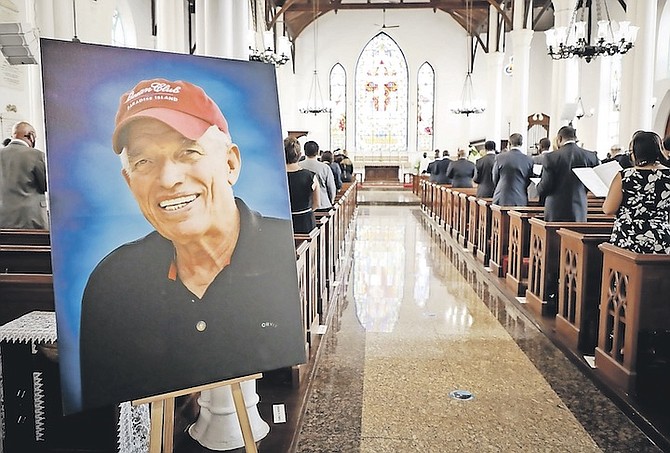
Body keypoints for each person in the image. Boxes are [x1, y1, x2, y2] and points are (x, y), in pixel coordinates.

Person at [79, 78, 306, 410]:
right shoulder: (112, 282)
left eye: (188, 151)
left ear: (230, 164)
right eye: (143, 162)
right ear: (129, 183)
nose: (168, 179)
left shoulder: (287, 255)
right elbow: (106, 410)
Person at [603, 131, 670, 253]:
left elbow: (608, 209)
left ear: (635, 152)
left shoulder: (625, 176)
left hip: (628, 239)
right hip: (661, 239)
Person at [536, 125, 599, 221]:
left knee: (554, 236)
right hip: (579, 208)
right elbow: (594, 184)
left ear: (559, 138)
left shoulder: (551, 157)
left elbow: (546, 186)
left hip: (556, 209)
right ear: (575, 138)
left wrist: (538, 187)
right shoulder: (591, 156)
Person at [0, 121, 48, 229]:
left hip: (2, 222)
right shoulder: (36, 155)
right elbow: (46, 184)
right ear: (31, 136)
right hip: (30, 220)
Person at [285, 137, 319, 234]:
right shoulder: (310, 176)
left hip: (283, 222)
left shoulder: (276, 176)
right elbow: (316, 204)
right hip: (305, 222)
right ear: (300, 155)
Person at [492, 133, 534, 206]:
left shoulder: (500, 157)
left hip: (501, 196)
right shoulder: (529, 159)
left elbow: (495, 177)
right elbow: (529, 179)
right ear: (521, 143)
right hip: (520, 197)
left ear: (509, 143)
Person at [300, 140, 337, 210]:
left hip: (303, 206)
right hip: (323, 204)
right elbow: (331, 187)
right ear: (317, 152)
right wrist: (331, 201)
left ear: (304, 151)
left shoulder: (299, 166)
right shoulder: (325, 167)